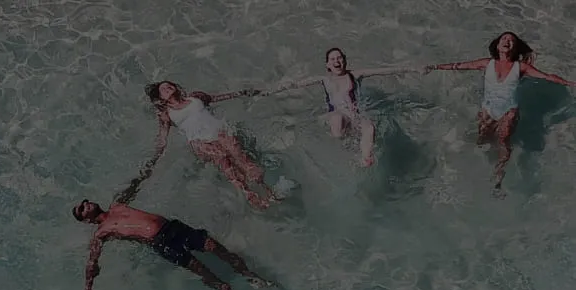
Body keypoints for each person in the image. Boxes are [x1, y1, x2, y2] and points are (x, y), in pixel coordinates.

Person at [426, 32, 576, 192]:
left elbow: (547, 76)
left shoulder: (520, 67)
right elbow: (460, 65)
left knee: (503, 141)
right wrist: (434, 67)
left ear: (515, 48)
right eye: (504, 39)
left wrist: (569, 83)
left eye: (511, 40)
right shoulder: (487, 63)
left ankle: (498, 176)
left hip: (508, 112)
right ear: (497, 45)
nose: (507, 41)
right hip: (488, 110)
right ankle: (479, 169)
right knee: (482, 140)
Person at [73, 198, 269, 290]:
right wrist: (88, 288)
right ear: (86, 220)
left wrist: (158, 151)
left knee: (218, 249)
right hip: (162, 243)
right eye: (82, 209)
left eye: (84, 202)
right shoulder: (101, 232)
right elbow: (92, 262)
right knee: (204, 272)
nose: (86, 204)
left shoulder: (117, 204)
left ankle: (250, 276)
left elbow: (140, 178)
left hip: (175, 228)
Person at [260, 47, 422, 166]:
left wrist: (413, 69)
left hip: (355, 116)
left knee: (370, 127)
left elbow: (385, 70)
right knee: (337, 119)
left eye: (339, 58)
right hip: (337, 116)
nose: (336, 61)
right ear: (328, 65)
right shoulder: (324, 79)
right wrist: (267, 91)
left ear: (344, 61)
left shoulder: (354, 75)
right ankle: (344, 146)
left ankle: (365, 158)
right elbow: (295, 84)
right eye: (332, 59)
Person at [145, 80, 276, 209]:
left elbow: (217, 98)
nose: (167, 88)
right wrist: (154, 160)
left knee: (242, 159)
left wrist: (241, 93)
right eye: (163, 89)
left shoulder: (195, 97)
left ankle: (266, 189)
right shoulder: (166, 114)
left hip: (219, 132)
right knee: (225, 162)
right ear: (160, 98)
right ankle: (248, 194)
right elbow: (162, 139)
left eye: (169, 85)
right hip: (201, 143)